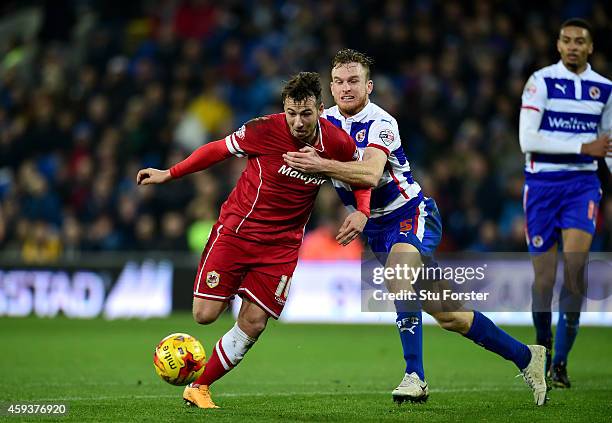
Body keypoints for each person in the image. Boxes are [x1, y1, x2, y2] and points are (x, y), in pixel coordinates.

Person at [283, 49, 548, 405]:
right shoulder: (323, 122)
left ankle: (415, 376)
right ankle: (527, 357)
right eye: (340, 81)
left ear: (369, 86)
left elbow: (371, 173)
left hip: (410, 214)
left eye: (354, 81)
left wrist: (321, 165)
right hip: (376, 230)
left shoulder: (381, 123)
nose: (346, 88)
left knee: (398, 274)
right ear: (330, 86)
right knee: (452, 315)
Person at [137, 72, 371, 408]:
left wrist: (362, 211)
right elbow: (217, 149)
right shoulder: (263, 129)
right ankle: (234, 289)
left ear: (321, 109)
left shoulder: (337, 143)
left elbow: (361, 178)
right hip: (238, 232)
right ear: (284, 109)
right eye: (291, 113)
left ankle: (199, 386)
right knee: (204, 315)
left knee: (254, 322)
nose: (298, 122)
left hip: (282, 246)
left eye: (306, 114)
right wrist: (170, 173)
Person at [519, 18, 612, 388]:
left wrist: (592, 154)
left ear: (590, 48)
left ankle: (559, 364)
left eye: (580, 42)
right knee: (544, 282)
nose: (573, 46)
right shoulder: (540, 81)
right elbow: (528, 139)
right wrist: (581, 146)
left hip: (581, 186)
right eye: (566, 40)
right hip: (541, 185)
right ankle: (541, 347)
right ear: (558, 45)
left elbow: (607, 146)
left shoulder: (604, 89)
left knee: (574, 275)